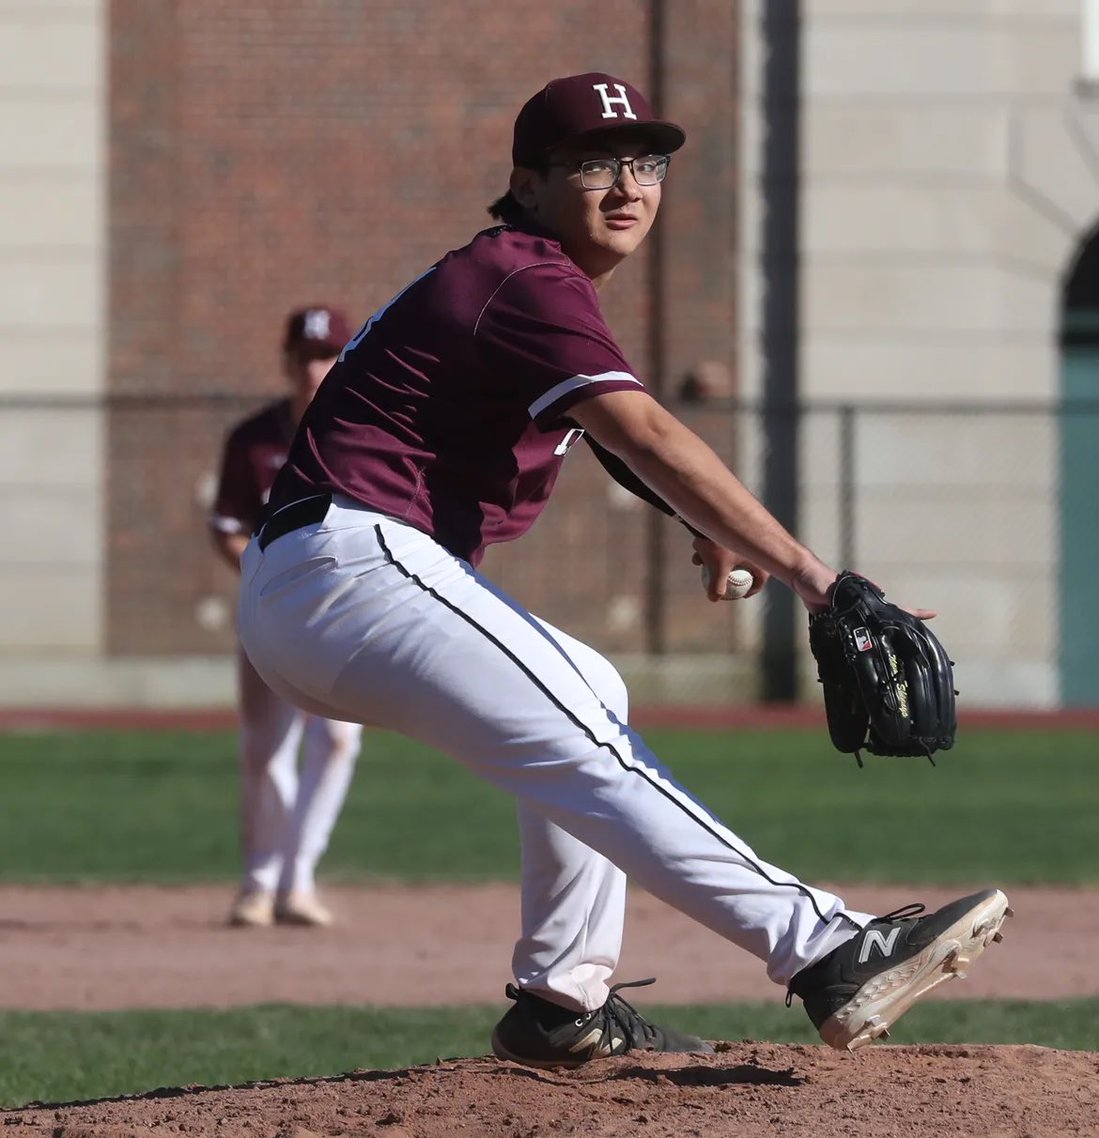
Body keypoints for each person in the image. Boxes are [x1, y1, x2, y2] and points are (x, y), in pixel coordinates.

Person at [237, 74, 1010, 1061]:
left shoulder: (518, 280)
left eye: (645, 162)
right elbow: (640, 430)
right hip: (351, 564)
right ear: (526, 184)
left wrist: (712, 529)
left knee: (588, 694)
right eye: (593, 162)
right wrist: (826, 582)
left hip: (322, 586)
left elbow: (607, 439)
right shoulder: (527, 277)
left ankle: (561, 1007)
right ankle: (826, 948)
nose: (628, 185)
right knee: (585, 730)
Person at [210, 306, 363, 928]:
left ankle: (297, 881)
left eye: (327, 356)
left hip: (344, 617)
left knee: (337, 739)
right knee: (264, 750)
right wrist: (275, 583)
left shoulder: (363, 434)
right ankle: (258, 882)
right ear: (287, 363)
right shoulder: (255, 439)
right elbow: (226, 528)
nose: (314, 370)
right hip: (270, 614)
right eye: (304, 357)